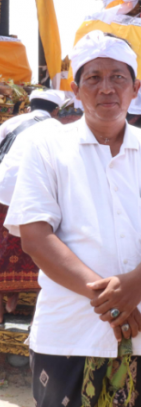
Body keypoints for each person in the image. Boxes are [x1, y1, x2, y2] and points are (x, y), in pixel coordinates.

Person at [4, 31, 141, 407]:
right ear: (75, 89)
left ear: (136, 88)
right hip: (70, 331)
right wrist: (114, 301)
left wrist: (136, 285)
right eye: (93, 78)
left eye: (117, 77)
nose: (106, 88)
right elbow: (36, 236)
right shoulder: (46, 147)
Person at [0, 89, 64, 320]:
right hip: (30, 193)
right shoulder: (58, 128)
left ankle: (6, 303)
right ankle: (34, 313)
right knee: (40, 248)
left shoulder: (12, 122)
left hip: (2, 190)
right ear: (56, 111)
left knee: (2, 247)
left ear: (30, 105)